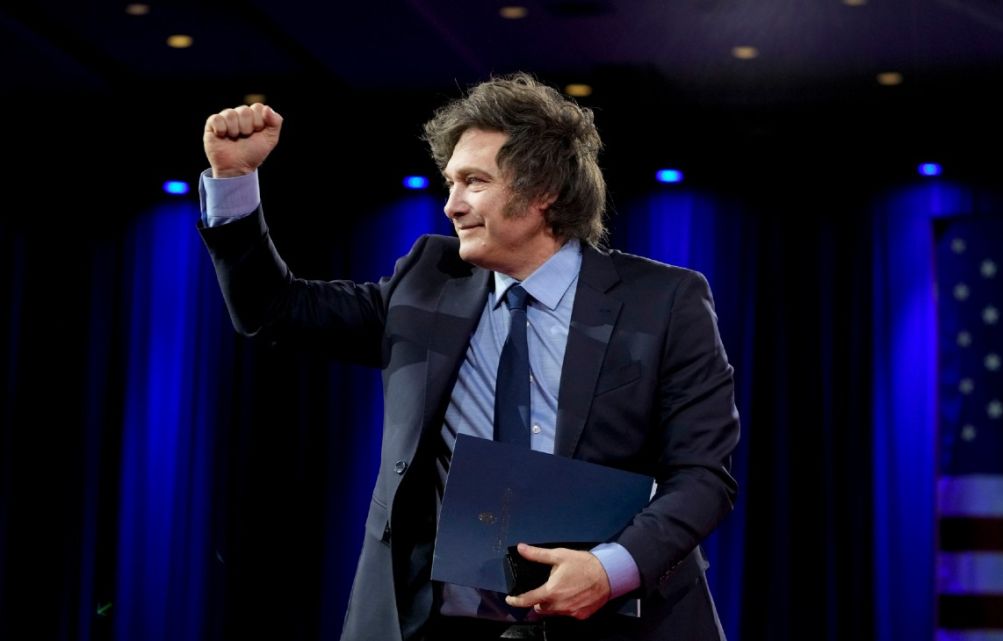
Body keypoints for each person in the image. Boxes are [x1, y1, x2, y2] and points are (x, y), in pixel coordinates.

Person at [198, 72, 740, 641]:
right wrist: (234, 180)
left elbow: (703, 477)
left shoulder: (664, 301)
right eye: (450, 183)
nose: (451, 205)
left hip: (611, 618)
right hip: (431, 624)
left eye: (473, 182)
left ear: (542, 191)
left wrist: (609, 571)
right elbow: (274, 310)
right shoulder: (427, 282)